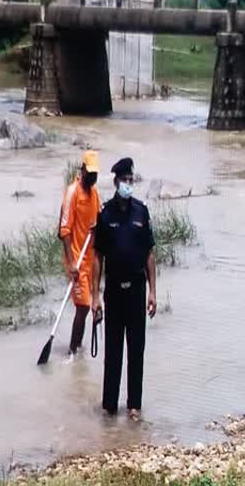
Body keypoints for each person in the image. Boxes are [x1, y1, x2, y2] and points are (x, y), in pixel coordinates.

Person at [91, 158, 156, 422]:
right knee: (113, 352)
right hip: (114, 292)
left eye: (132, 180)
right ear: (116, 182)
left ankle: (134, 406)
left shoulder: (141, 212)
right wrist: (95, 296)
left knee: (136, 350)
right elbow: (98, 258)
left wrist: (153, 292)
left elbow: (150, 254)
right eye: (125, 180)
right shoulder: (105, 215)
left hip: (137, 290)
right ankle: (109, 407)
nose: (129, 184)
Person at [58, 150, 102, 358]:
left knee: (89, 306)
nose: (93, 177)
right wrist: (72, 262)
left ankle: (79, 349)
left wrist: (98, 225)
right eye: (90, 172)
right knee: (83, 306)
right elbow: (64, 230)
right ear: (82, 169)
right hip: (75, 258)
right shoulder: (72, 192)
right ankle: (73, 351)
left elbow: (100, 215)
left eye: (96, 173)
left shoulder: (94, 193)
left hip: (91, 259)